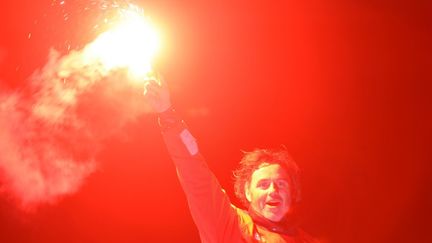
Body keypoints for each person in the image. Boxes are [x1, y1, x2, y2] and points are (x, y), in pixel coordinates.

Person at [144, 78, 318, 243]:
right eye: (263, 184)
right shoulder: (231, 225)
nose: (273, 190)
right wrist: (168, 115)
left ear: (292, 192)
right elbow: (197, 178)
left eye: (281, 184)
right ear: (248, 193)